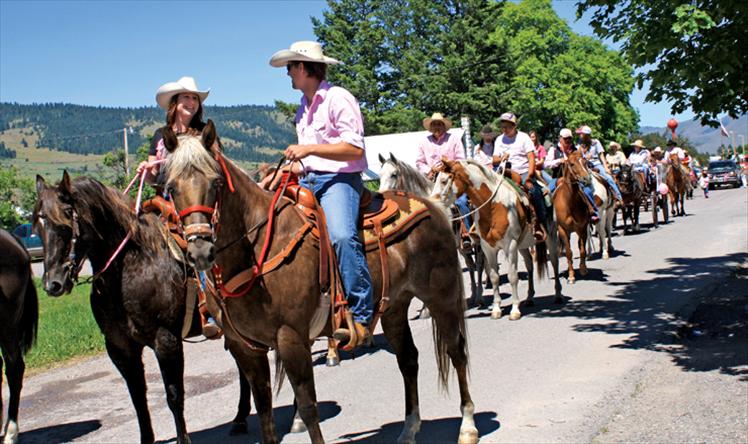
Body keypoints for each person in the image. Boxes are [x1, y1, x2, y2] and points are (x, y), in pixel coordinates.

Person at [266, 41, 373, 349]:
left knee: (341, 235)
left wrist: (309, 149)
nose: (288, 74)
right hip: (310, 180)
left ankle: (361, 312)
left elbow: (354, 148)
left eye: (290, 68)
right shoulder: (303, 107)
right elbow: (306, 160)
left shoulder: (338, 98)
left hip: (341, 180)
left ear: (302, 67)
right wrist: (283, 173)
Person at [135, 76, 221, 340]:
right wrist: (145, 171)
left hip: (196, 203)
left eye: (195, 98)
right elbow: (153, 176)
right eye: (187, 97)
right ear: (174, 103)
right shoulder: (162, 136)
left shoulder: (203, 132)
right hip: (165, 201)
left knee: (199, 242)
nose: (192, 102)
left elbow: (216, 165)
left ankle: (210, 309)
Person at [494, 112, 547, 239]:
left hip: (522, 171)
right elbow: (494, 160)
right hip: (505, 173)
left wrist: (529, 176)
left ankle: (540, 223)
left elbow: (531, 158)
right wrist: (502, 158)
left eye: (507, 126)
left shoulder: (523, 138)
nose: (504, 129)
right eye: (503, 126)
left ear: (514, 126)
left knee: (534, 192)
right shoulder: (499, 139)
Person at [416, 112, 472, 228]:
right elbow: (419, 162)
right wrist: (430, 169)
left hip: (452, 180)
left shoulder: (454, 139)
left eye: (439, 124)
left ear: (444, 126)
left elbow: (461, 160)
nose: (436, 127)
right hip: (431, 180)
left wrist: (447, 167)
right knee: (421, 205)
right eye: (434, 124)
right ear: (430, 127)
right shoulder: (424, 142)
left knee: (461, 202)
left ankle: (467, 233)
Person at [546, 128, 600, 223]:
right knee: (547, 192)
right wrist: (559, 161)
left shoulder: (575, 149)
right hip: (558, 177)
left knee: (587, 190)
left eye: (570, 139)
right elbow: (546, 164)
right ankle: (547, 217)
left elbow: (582, 161)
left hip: (575, 178)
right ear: (560, 138)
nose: (568, 141)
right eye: (566, 139)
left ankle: (594, 212)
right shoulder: (554, 149)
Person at [576, 125, 622, 205]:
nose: (580, 135)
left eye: (581, 134)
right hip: (584, 165)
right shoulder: (578, 144)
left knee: (608, 178)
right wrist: (585, 158)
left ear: (586, 135)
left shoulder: (596, 142)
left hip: (596, 164)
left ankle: (618, 197)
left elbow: (601, 155)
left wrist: (606, 167)